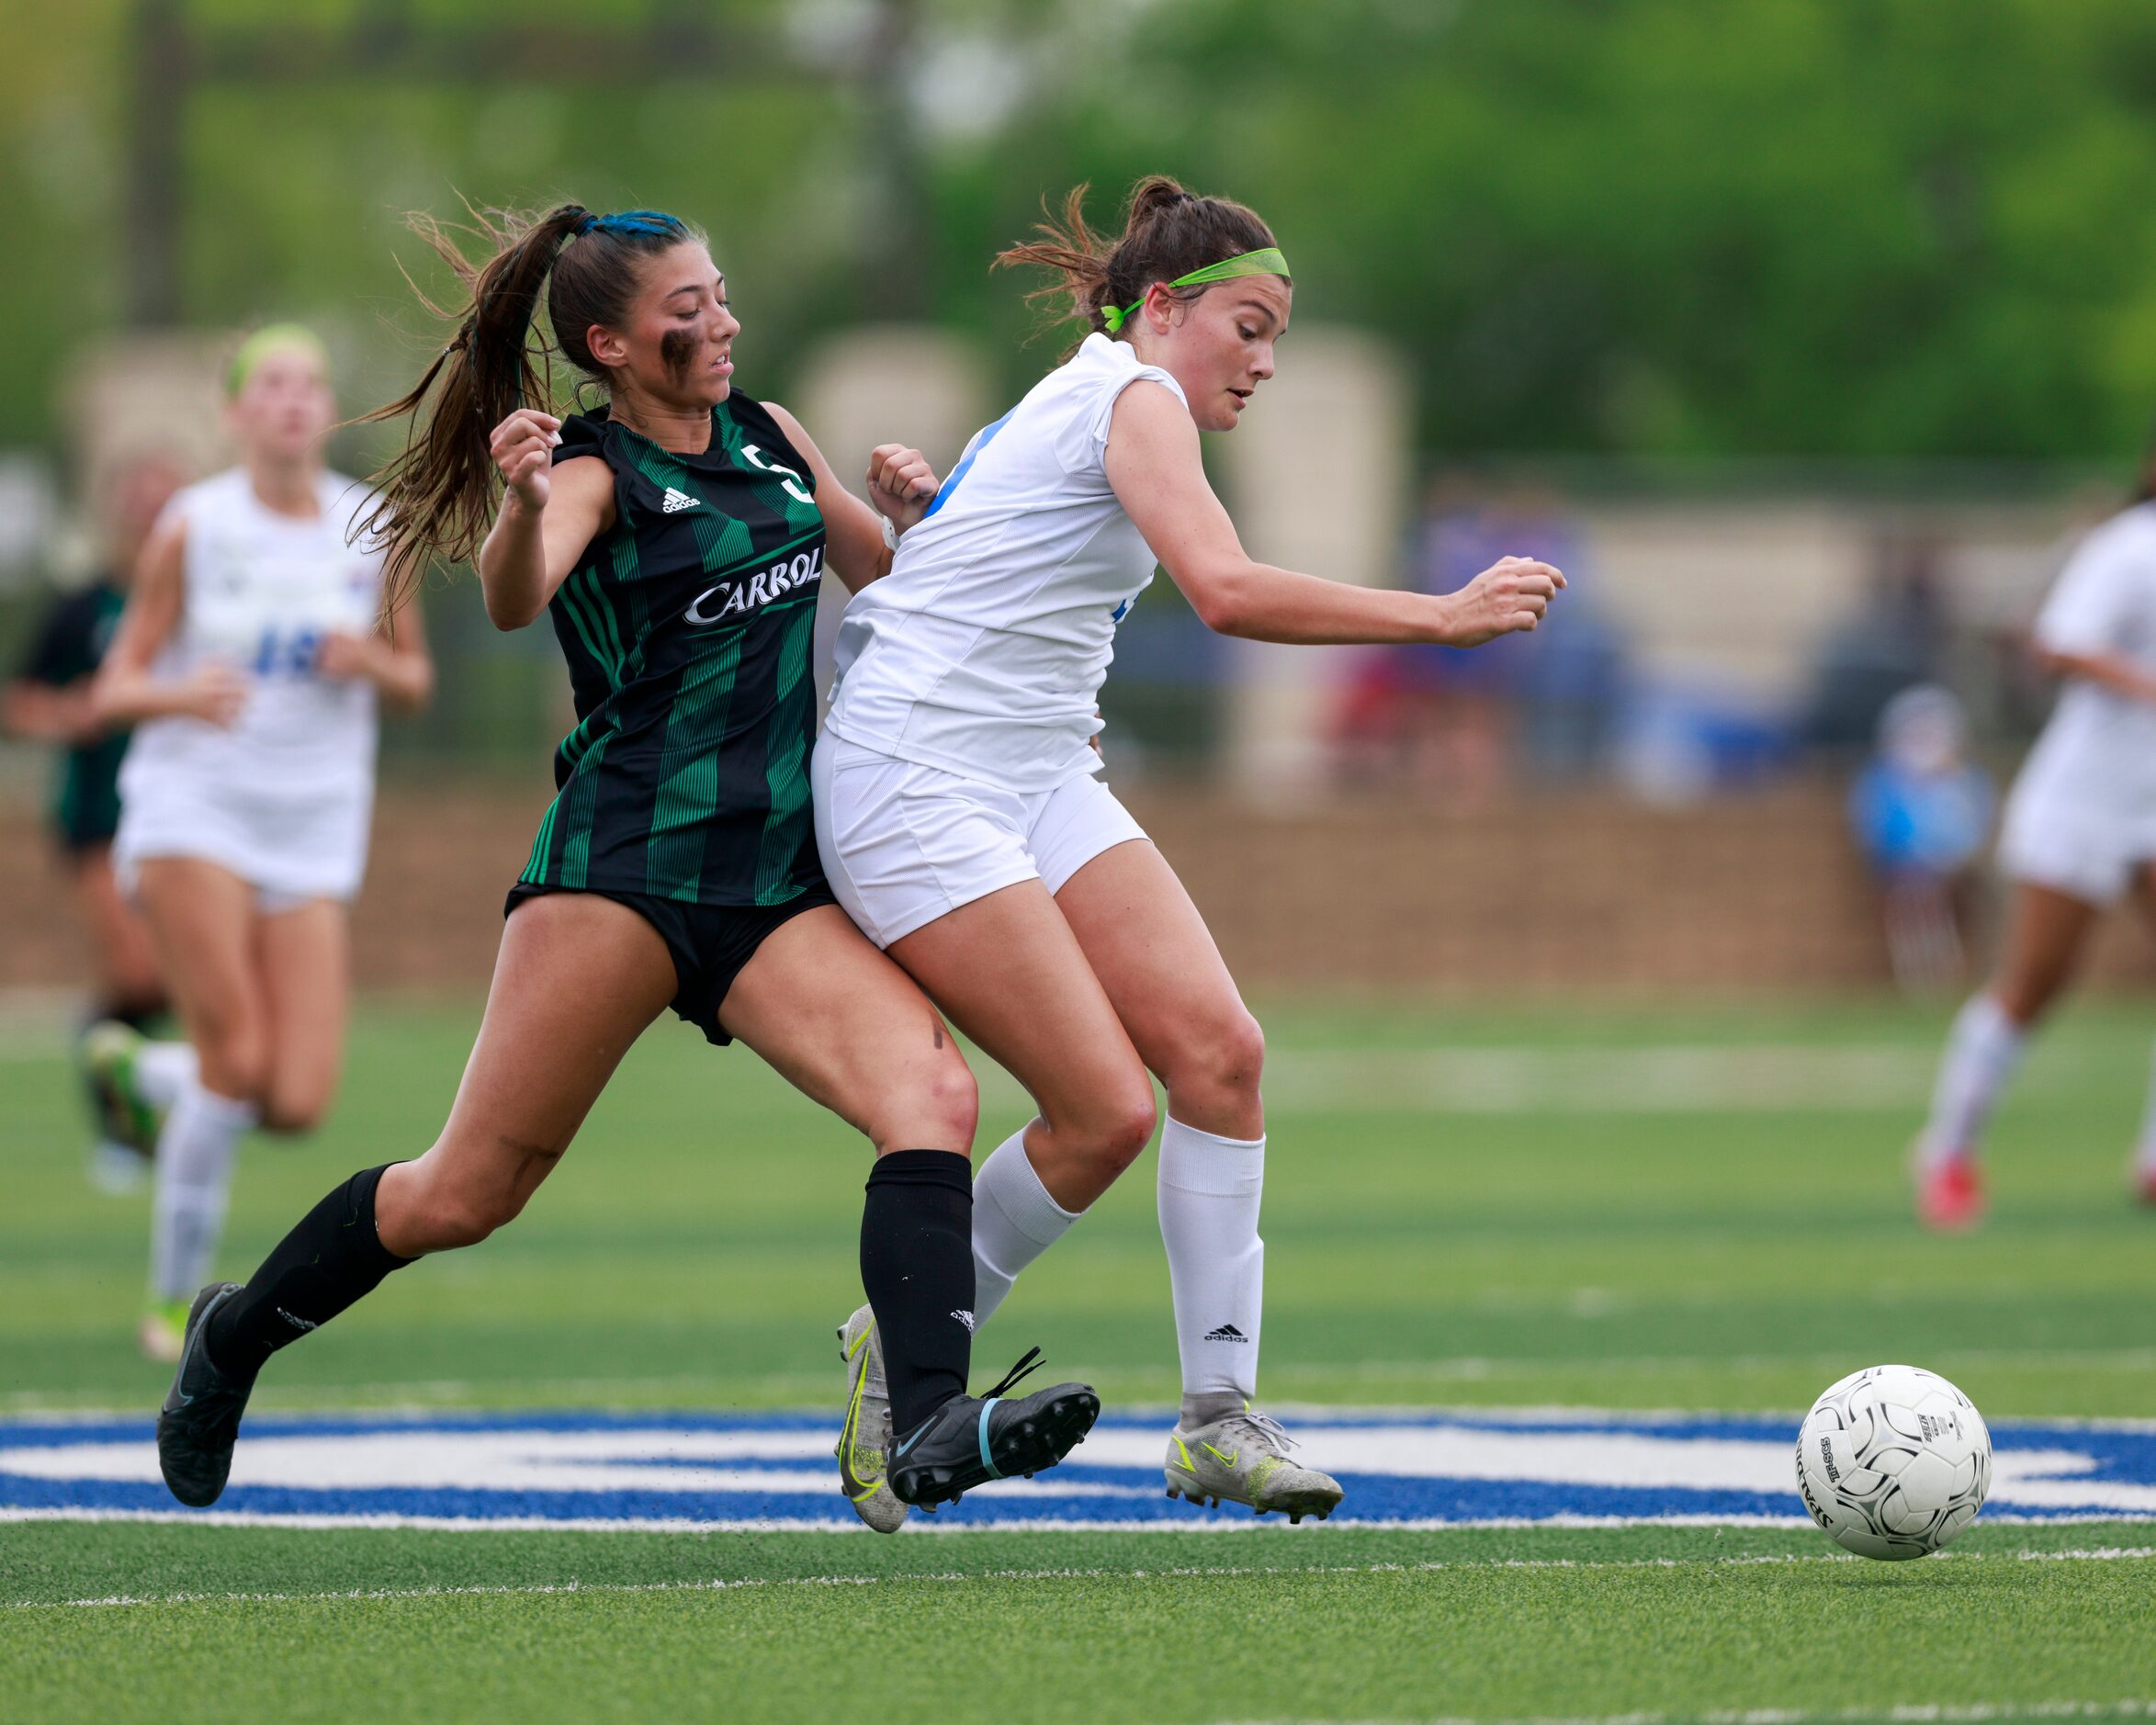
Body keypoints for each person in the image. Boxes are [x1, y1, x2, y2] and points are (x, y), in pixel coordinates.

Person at [148, 205, 1096, 1521]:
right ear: (606, 341)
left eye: (720, 295)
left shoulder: (767, 435)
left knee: (931, 1097)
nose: (719, 324)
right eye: (686, 310)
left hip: (771, 879)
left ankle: (928, 1416)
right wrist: (521, 502)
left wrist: (913, 511)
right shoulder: (591, 471)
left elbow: (881, 573)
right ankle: (232, 1339)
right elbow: (513, 593)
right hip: (622, 871)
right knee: (468, 1190)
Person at [815, 177, 1562, 1527]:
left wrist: (922, 517)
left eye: (1276, 336)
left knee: (1219, 1054)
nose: (1263, 361)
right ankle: (908, 1341)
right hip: (913, 775)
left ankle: (1216, 1422)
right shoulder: (1134, 396)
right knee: (1102, 1110)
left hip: (1030, 766)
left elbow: (971, 568)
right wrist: (1438, 617)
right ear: (1160, 310)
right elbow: (1222, 591)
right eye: (1247, 326)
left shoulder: (1092, 388)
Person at [89, 328, 434, 1361]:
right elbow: (113, 686)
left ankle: (143, 1077)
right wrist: (176, 691)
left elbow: (415, 681)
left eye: (308, 384)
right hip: (194, 808)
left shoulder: (368, 525)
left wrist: (365, 662)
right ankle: (171, 1302)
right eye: (270, 385)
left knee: (294, 1098)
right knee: (236, 1060)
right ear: (235, 413)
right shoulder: (195, 525)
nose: (291, 401)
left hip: (313, 821)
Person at [1911, 446, 2156, 1229]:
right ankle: (1946, 1149)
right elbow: (2057, 640)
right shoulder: (2130, 544)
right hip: (2085, 800)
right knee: (2034, 985)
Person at [3, 450, 183, 1189]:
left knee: (172, 982)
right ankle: (118, 1121)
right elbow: (19, 700)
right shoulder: (84, 607)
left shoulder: (207, 599)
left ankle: (123, 1066)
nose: (149, 519)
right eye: (136, 505)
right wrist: (68, 713)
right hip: (98, 815)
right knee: (135, 972)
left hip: (186, 815)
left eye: (162, 503)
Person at [1846, 684, 1994, 995]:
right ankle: (1927, 977)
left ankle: (1989, 971)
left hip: (1958, 865)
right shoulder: (1886, 783)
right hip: (1905, 867)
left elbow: (1979, 824)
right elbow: (1879, 832)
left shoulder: (1965, 781)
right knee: (1919, 900)